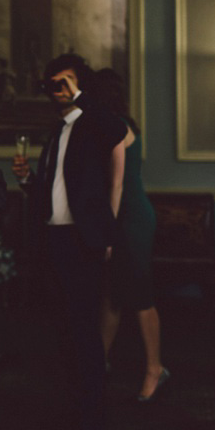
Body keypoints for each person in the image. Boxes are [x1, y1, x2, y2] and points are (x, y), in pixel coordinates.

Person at [11, 53, 128, 430]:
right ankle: (74, 407)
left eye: (67, 82)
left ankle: (94, 416)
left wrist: (83, 96)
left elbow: (117, 129)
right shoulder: (56, 131)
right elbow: (53, 192)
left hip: (82, 241)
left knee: (84, 329)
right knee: (61, 328)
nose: (60, 90)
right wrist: (28, 182)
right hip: (54, 239)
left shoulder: (93, 124)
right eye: (54, 83)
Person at [92, 68, 169, 403]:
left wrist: (108, 228)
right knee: (112, 293)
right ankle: (98, 364)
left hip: (131, 218)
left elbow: (117, 184)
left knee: (139, 294)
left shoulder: (118, 127)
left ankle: (155, 368)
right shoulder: (114, 125)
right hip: (124, 216)